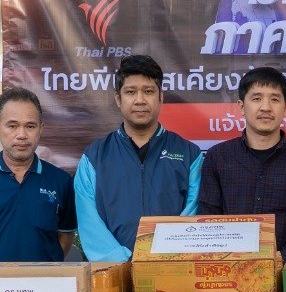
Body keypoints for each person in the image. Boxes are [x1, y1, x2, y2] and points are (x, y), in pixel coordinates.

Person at [74, 54, 203, 261]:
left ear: (161, 97)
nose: (140, 100)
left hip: (171, 268)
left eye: (148, 91)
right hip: (113, 271)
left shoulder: (190, 155)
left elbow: (193, 214)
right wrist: (120, 261)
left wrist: (163, 259)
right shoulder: (94, 157)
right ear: (118, 99)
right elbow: (89, 221)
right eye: (131, 92)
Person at [196, 66, 286, 263]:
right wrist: (234, 260)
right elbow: (209, 219)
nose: (266, 107)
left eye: (275, 99)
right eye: (256, 98)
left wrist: (280, 259)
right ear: (241, 106)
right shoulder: (218, 157)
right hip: (230, 268)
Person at [0, 88, 76, 262]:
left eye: (30, 126)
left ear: (41, 129)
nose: (22, 135)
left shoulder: (62, 182)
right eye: (12, 126)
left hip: (45, 279)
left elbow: (65, 238)